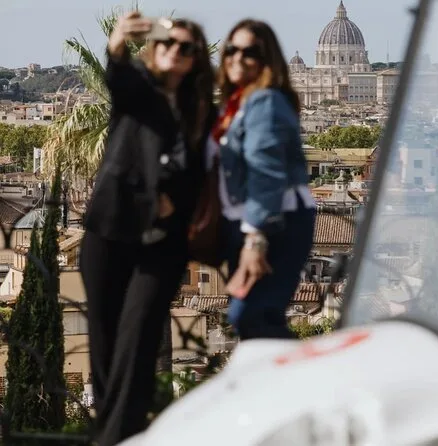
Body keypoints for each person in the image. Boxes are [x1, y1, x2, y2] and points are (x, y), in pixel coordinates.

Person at [79, 12, 214, 445]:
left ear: (195, 58)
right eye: (167, 43)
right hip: (111, 228)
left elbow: (201, 175)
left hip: (164, 240)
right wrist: (118, 39)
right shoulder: (137, 91)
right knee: (103, 340)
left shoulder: (201, 112)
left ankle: (117, 437)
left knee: (138, 338)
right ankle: (115, 432)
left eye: (185, 47)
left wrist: (174, 199)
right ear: (155, 48)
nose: (175, 50)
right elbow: (118, 76)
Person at [212, 18, 316, 340]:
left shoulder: (264, 101)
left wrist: (255, 239)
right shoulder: (239, 103)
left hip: (274, 223)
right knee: (249, 317)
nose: (238, 58)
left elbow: (266, 172)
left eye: (250, 52)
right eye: (232, 50)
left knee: (254, 316)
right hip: (256, 222)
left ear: (266, 60)